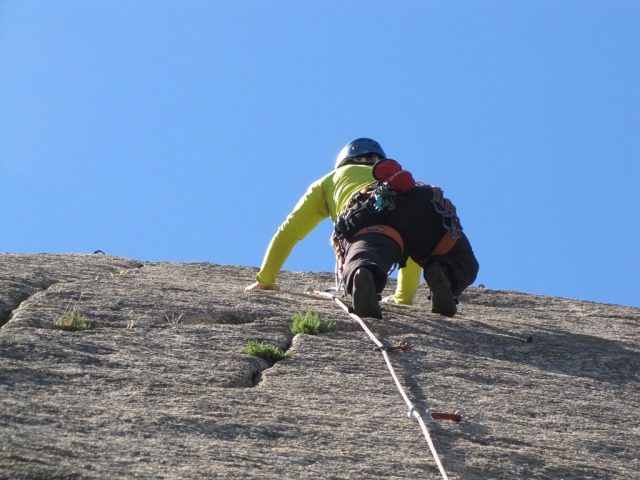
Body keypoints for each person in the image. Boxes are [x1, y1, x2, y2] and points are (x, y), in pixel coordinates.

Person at [245, 138, 479, 318]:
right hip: (419, 202)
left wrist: (266, 278)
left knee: (369, 250)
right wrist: (403, 298)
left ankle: (363, 274)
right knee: (456, 255)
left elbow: (290, 230)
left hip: (366, 212)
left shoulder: (329, 180)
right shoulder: (393, 177)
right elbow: (410, 255)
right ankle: (445, 275)